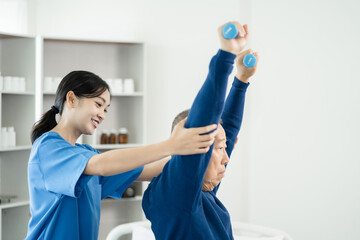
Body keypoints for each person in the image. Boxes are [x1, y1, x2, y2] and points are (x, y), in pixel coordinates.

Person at [25, 70, 218, 240]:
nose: (102, 114)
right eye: (98, 104)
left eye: (106, 109)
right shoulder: (48, 148)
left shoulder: (86, 154)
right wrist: (171, 145)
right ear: (72, 99)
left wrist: (202, 156)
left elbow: (148, 171)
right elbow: (102, 165)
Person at [142, 22, 259, 239]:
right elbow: (204, 123)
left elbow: (228, 129)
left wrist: (241, 80)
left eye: (224, 148)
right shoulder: (178, 195)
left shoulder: (202, 192)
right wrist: (226, 54)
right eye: (218, 149)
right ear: (192, 149)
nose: (226, 158)